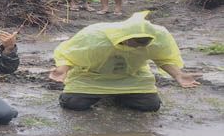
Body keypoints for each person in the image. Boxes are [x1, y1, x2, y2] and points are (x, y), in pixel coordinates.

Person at [49, 11, 200, 112]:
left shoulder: (158, 36)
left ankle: (120, 96)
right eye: (137, 43)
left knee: (150, 106)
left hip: (131, 77)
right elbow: (68, 54)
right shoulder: (95, 37)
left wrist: (178, 75)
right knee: (74, 104)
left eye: (145, 43)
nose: (141, 46)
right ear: (125, 38)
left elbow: (163, 58)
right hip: (92, 77)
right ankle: (100, 95)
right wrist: (62, 70)